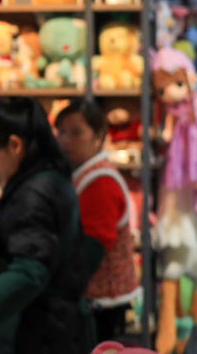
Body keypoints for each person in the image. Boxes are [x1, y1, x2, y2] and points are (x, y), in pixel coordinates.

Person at [0, 97, 94, 354]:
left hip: (37, 334)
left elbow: (31, 268)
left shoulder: (35, 193)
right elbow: (3, 259)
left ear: (14, 145)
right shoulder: (44, 180)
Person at [56, 99, 141, 343]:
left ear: (98, 136)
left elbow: (93, 248)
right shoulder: (84, 171)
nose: (66, 141)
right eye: (61, 132)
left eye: (76, 133)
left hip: (100, 297)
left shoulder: (100, 180)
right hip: (94, 294)